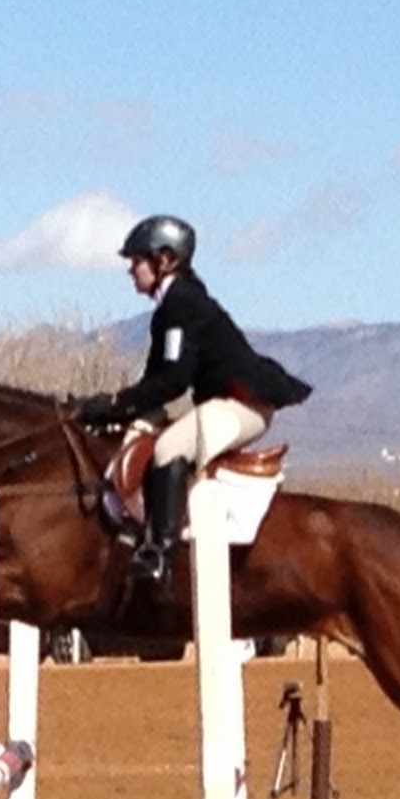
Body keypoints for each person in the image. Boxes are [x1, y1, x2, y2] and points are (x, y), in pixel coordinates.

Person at [78, 214, 312, 583]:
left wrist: (113, 403)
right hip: (220, 401)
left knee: (169, 447)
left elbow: (173, 381)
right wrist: (117, 410)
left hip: (244, 405)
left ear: (165, 260)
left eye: (137, 260)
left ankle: (160, 553)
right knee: (143, 430)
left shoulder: (182, 304)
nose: (130, 270)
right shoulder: (170, 307)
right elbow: (155, 381)